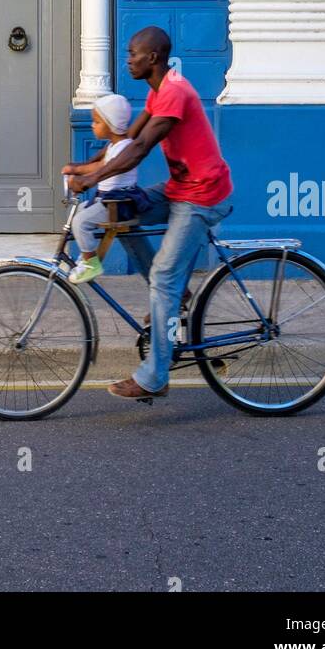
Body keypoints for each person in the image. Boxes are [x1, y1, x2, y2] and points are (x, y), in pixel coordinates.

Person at [65, 27, 233, 401]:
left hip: (202, 196)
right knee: (121, 214)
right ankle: (178, 295)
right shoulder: (160, 90)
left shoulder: (173, 93)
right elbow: (123, 142)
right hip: (180, 189)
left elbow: (139, 149)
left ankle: (154, 376)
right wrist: (83, 167)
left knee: (162, 276)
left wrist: (92, 177)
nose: (128, 60)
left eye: (133, 53)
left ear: (152, 58)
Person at [62, 93, 154, 285]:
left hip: (117, 204)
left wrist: (79, 174)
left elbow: (102, 169)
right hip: (107, 200)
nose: (92, 125)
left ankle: (90, 262)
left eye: (97, 122)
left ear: (111, 125)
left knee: (80, 221)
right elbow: (100, 166)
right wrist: (76, 169)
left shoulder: (123, 149)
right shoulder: (115, 146)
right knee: (80, 210)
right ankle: (88, 256)